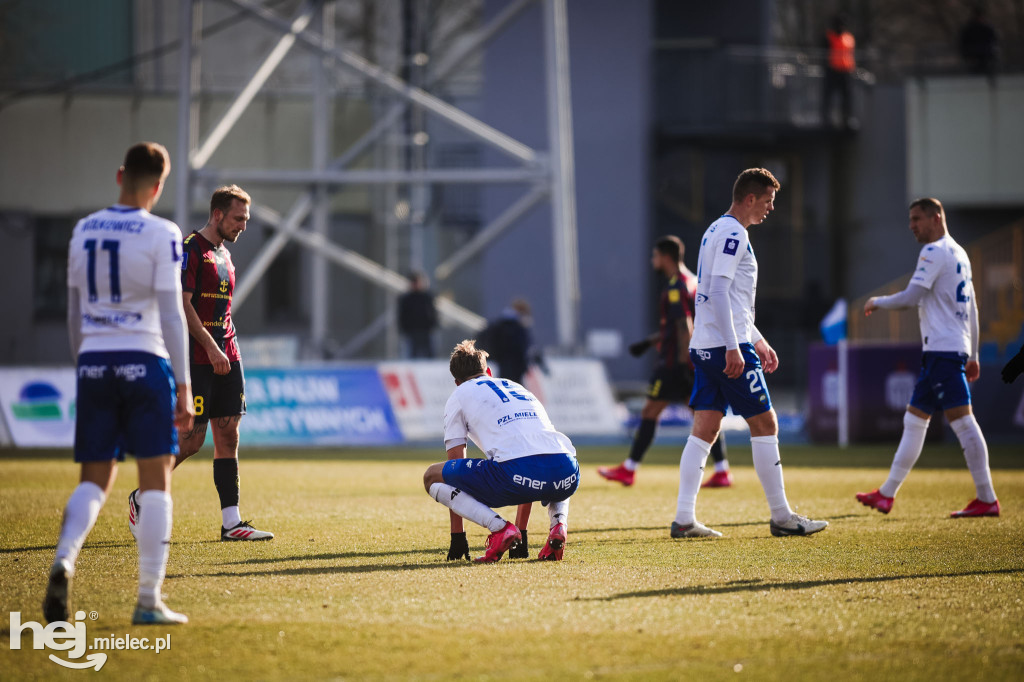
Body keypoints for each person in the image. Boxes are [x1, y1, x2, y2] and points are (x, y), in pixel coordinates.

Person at [45, 142, 194, 625]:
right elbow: (172, 312)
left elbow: (72, 312)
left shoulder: (83, 230)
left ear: (119, 176)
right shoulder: (162, 232)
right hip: (143, 360)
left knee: (94, 480)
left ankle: (65, 559)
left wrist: (84, 362)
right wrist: (184, 383)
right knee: (155, 482)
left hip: (94, 361)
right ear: (157, 186)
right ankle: (148, 600)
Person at [672, 168, 829, 539]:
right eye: (769, 201)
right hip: (724, 345)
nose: (771, 209)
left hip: (707, 344)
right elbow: (721, 293)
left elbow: (721, 296)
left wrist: (756, 338)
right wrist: (734, 345)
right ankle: (782, 517)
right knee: (766, 424)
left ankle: (683, 519)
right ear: (750, 198)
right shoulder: (734, 233)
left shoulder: (716, 229)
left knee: (705, 429)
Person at [128, 185, 273, 542]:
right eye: (239, 218)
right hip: (198, 356)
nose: (243, 225)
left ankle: (232, 523)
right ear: (218, 214)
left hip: (228, 352)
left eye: (246, 219)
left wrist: (226, 346)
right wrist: (210, 347)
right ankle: (141, 496)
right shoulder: (190, 249)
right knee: (191, 441)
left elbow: (221, 310)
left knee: (229, 434)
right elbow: (182, 305)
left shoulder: (224, 254)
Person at [857, 198, 999, 518]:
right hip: (949, 348)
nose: (911, 226)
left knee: (962, 421)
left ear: (936, 218)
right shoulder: (960, 252)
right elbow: (973, 309)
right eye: (910, 220)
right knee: (914, 419)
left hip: (943, 351)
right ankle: (887, 494)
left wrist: (878, 300)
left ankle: (987, 498)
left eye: (917, 219)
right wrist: (973, 352)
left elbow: (912, 297)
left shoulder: (933, 251)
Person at [424, 340, 579, 563]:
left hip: (518, 471)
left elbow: (454, 469)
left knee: (432, 475)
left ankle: (500, 529)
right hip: (568, 471)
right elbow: (534, 449)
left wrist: (457, 537)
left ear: (457, 382)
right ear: (488, 371)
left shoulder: (458, 396)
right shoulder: (517, 387)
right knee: (546, 463)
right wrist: (522, 535)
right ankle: (558, 525)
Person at [598, 236, 731, 488]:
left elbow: (684, 326)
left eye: (655, 256)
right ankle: (723, 469)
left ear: (666, 257)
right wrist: (650, 342)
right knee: (704, 414)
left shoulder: (674, 287)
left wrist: (685, 363)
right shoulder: (692, 281)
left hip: (674, 364)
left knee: (651, 411)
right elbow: (680, 324)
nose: (653, 260)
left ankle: (629, 469)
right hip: (687, 359)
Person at [476, 299, 538, 385]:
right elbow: (520, 349)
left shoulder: (503, 324)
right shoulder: (513, 327)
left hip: (505, 368)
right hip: (512, 370)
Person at [822, 13, 857, 130]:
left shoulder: (849, 38)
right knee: (829, 96)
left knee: (847, 97)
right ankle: (827, 119)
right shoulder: (829, 37)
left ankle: (847, 119)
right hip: (832, 70)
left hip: (846, 72)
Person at [397, 271, 438, 358]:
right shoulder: (406, 299)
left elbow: (433, 313)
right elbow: (402, 316)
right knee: (412, 356)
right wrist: (405, 329)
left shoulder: (427, 297)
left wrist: (432, 325)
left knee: (430, 357)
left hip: (426, 332)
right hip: (412, 333)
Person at [960, 5, 998, 78]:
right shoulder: (968, 28)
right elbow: (963, 42)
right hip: (973, 53)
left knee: (988, 67)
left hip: (986, 53)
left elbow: (994, 39)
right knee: (976, 70)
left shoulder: (987, 27)